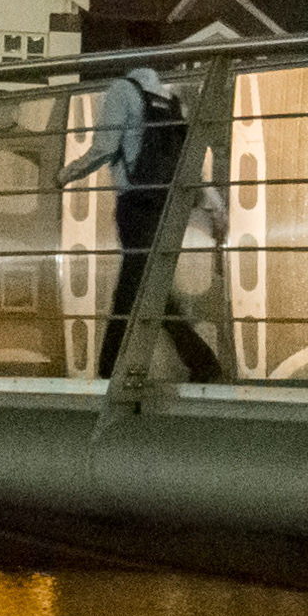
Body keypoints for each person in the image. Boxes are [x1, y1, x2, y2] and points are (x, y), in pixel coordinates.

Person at [64, 37, 228, 385]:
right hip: (167, 204)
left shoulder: (122, 91)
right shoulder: (169, 97)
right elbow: (187, 157)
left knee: (133, 285)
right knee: (147, 284)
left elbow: (104, 148)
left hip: (136, 203)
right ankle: (196, 362)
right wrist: (212, 201)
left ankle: (111, 371)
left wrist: (65, 174)